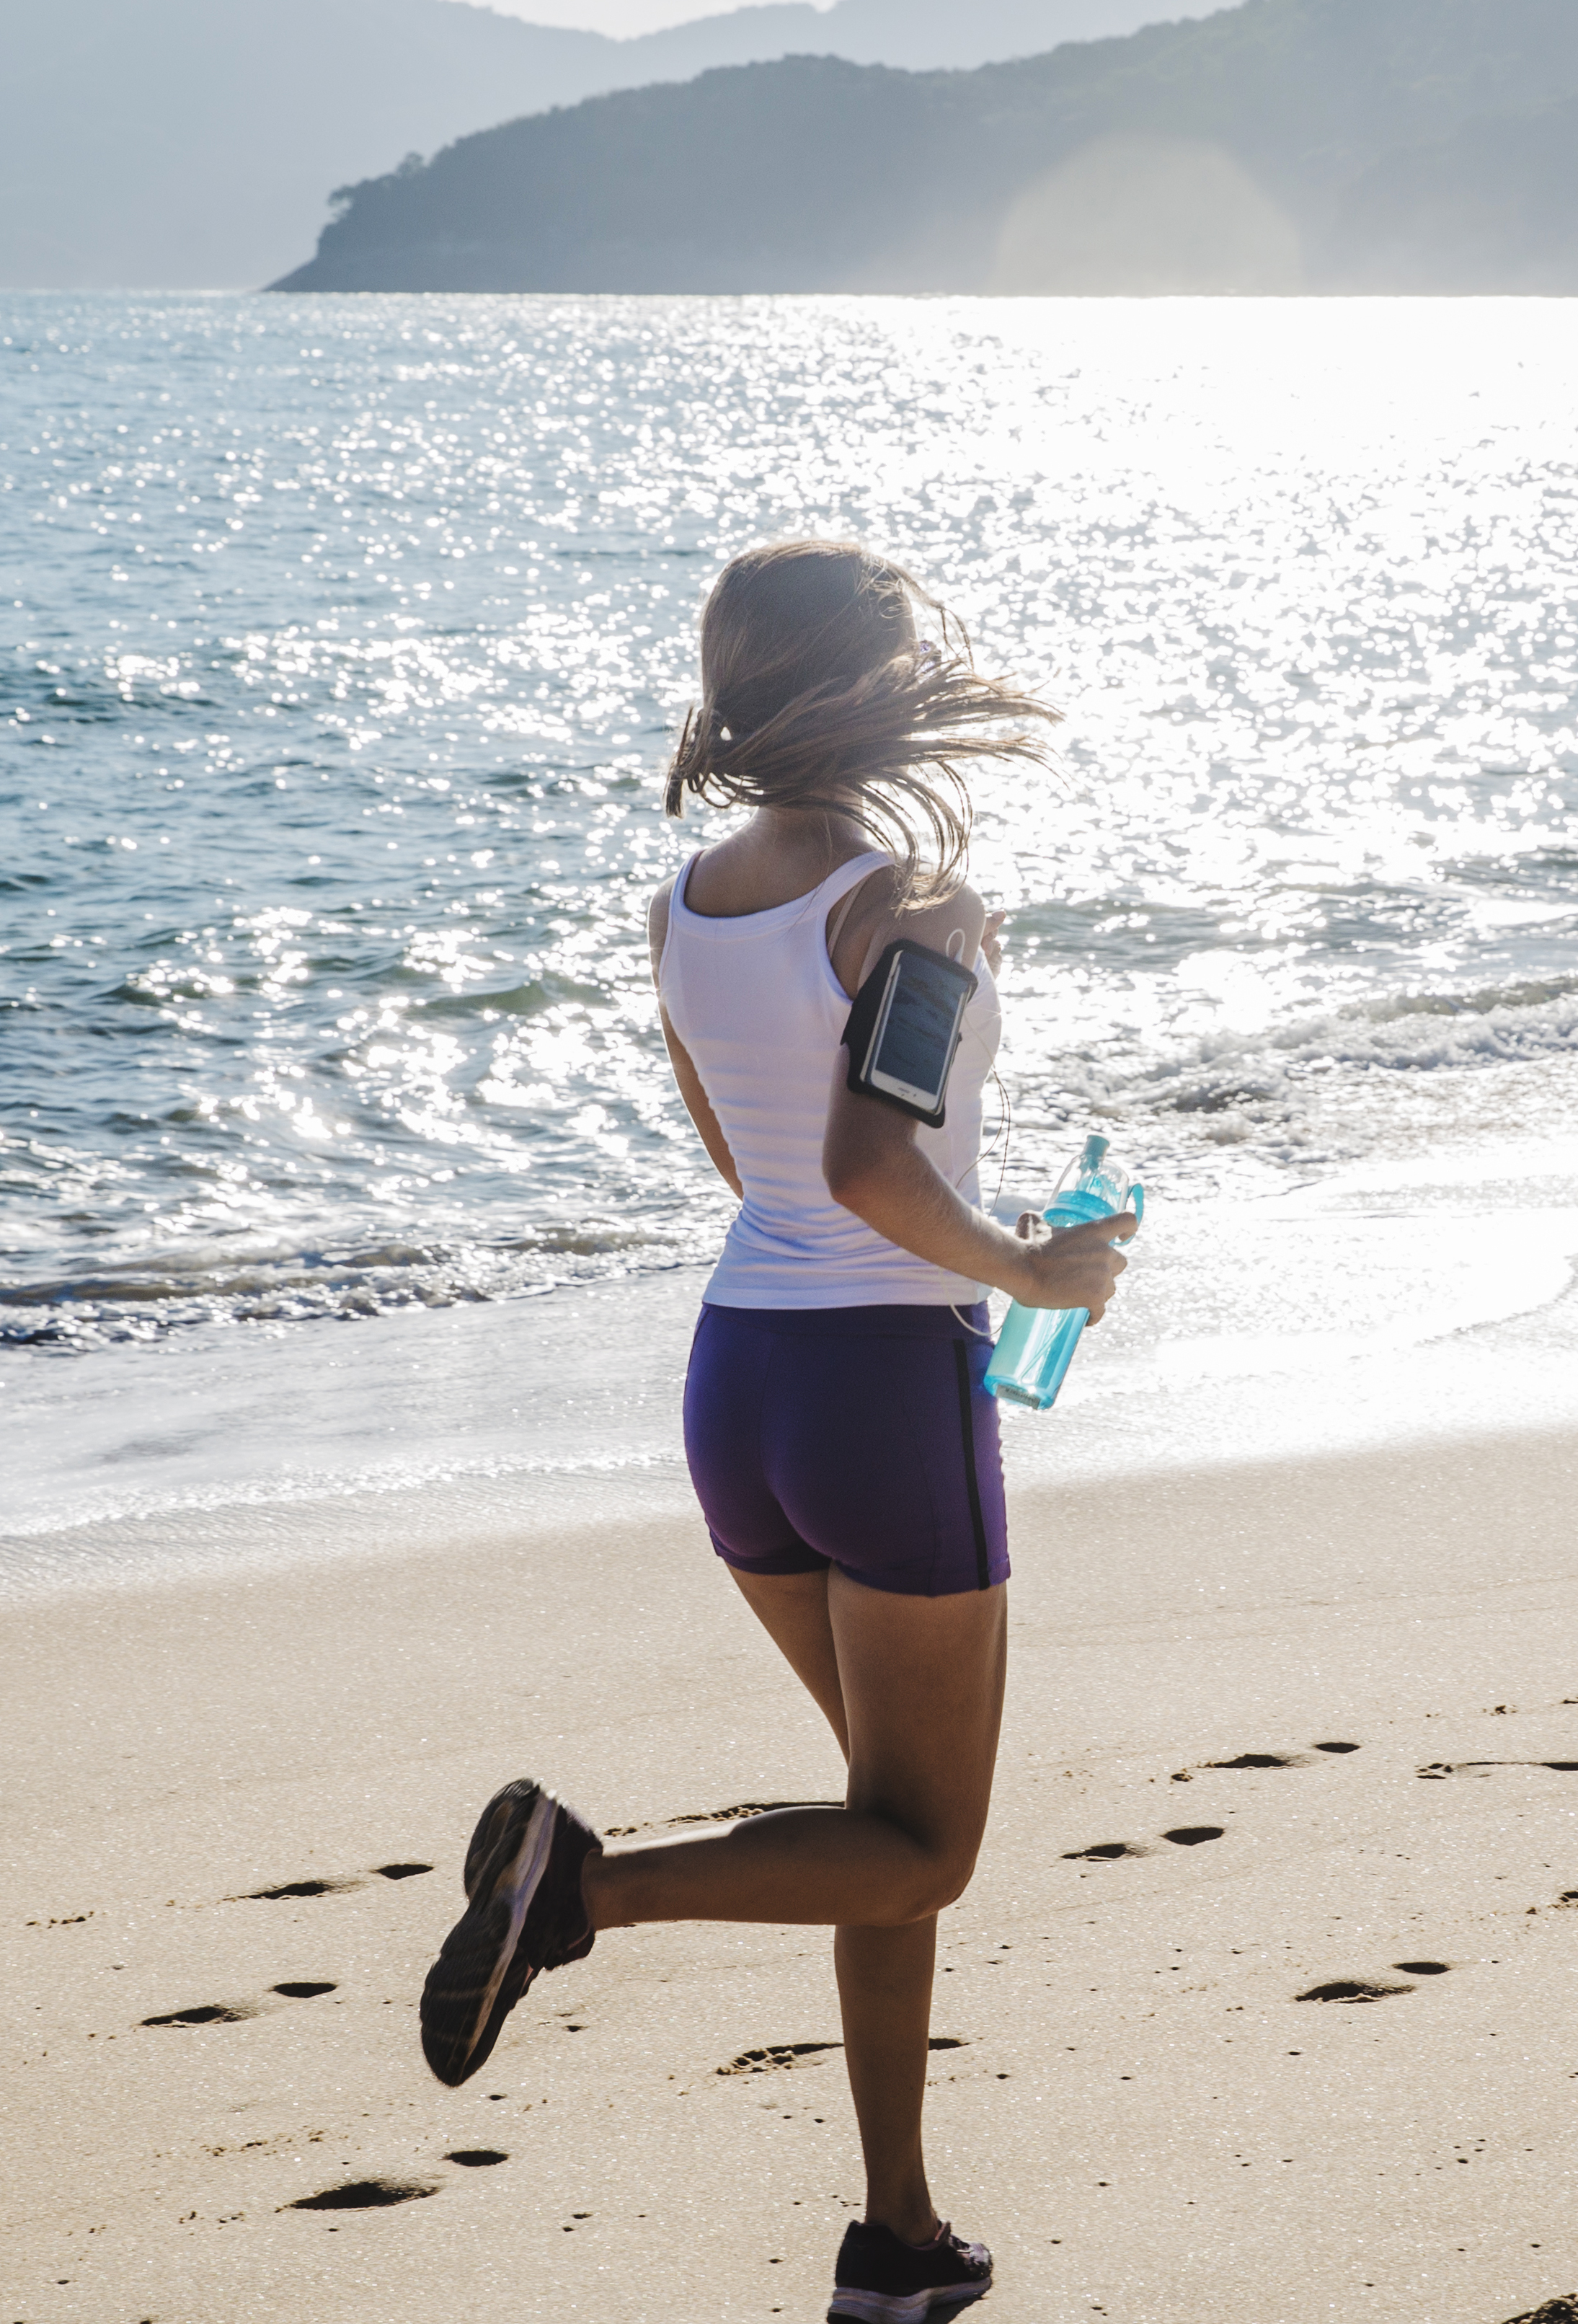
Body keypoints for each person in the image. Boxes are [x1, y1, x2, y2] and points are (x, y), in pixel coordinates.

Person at [419, 539, 1135, 2324]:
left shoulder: (684, 903)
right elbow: (868, 1170)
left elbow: (755, 1170)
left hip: (740, 1380)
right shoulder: (915, 906)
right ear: (870, 687)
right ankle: (577, 1891)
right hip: (884, 1392)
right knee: (931, 1844)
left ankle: (895, 2238)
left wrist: (960, 1240)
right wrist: (1035, 1270)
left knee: (877, 1830)